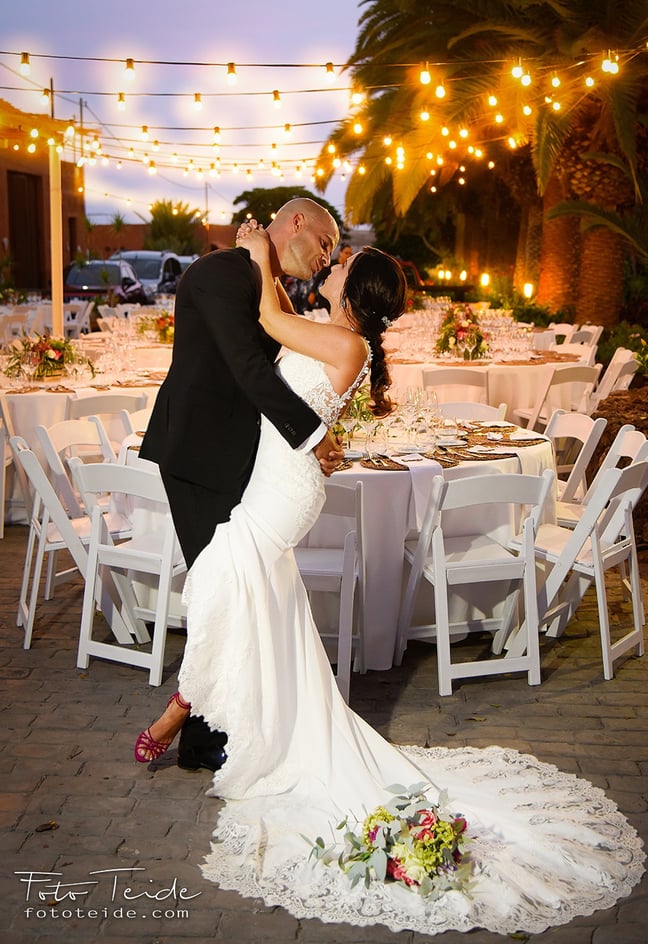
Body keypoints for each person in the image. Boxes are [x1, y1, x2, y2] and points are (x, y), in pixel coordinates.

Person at [135, 225, 644, 936]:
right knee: (252, 594)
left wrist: (255, 257)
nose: (330, 266)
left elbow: (266, 323)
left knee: (220, 579)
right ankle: (228, 714)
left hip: (282, 492)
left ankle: (180, 712)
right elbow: (281, 339)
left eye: (340, 264)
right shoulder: (339, 337)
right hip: (276, 479)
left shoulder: (343, 344)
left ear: (352, 290)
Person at [137, 198, 344, 771]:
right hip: (199, 456)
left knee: (231, 591)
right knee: (219, 594)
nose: (325, 260)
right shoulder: (220, 274)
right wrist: (313, 434)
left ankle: (218, 729)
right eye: (324, 243)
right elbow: (247, 368)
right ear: (296, 223)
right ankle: (203, 744)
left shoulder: (262, 279)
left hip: (239, 458)